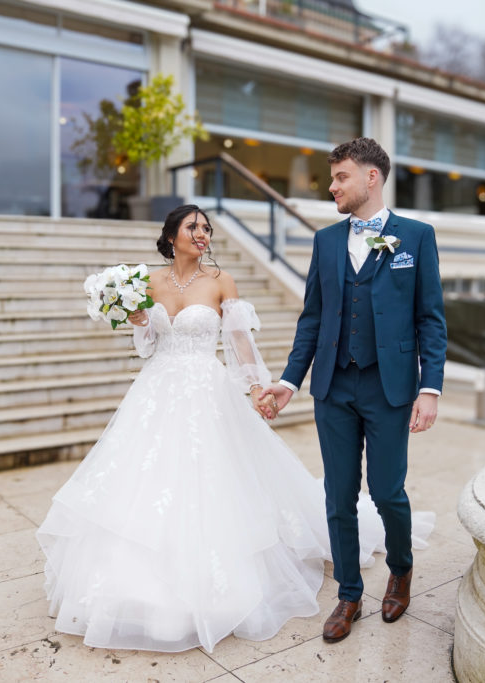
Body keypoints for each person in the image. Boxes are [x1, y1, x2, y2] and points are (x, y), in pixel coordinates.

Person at [36, 204, 434, 653]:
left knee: (214, 485)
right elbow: (147, 346)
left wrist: (261, 389)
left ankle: (378, 571)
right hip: (158, 390)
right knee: (146, 482)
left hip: (208, 389)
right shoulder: (146, 283)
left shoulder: (220, 281)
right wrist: (137, 319)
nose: (202, 234)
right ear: (171, 236)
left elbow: (241, 343)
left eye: (206, 227)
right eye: (193, 227)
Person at [261, 138, 447, 643]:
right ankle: (348, 594)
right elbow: (313, 318)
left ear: (372, 177)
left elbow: (430, 318)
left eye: (341, 176)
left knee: (388, 493)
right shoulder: (324, 242)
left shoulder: (416, 237)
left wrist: (429, 388)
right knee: (338, 496)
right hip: (333, 386)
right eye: (332, 177)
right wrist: (287, 381)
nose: (332, 186)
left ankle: (402, 570)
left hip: (390, 388)